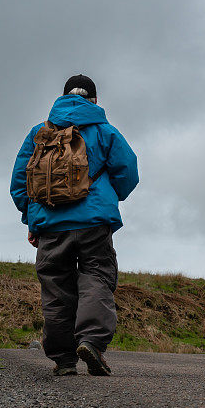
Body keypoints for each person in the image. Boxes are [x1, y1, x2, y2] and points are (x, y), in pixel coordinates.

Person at [10, 74, 139, 376]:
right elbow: (128, 171)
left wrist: (31, 219)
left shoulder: (39, 132)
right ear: (95, 100)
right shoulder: (105, 131)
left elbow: (20, 181)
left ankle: (64, 360)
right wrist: (108, 197)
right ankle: (91, 341)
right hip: (94, 223)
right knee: (97, 276)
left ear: (64, 96)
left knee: (56, 289)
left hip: (50, 225)